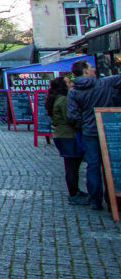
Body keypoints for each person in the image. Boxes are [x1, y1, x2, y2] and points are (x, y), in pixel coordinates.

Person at [66, 59, 121, 212]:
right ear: (85, 71)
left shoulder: (74, 91)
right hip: (110, 128)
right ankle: (115, 198)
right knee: (113, 164)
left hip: (89, 132)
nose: (94, 68)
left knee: (93, 166)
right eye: (91, 67)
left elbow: (72, 115)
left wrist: (83, 125)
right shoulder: (105, 83)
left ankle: (95, 200)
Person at [47, 76, 86, 205]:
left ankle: (75, 191)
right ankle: (74, 194)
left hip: (61, 135)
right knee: (72, 166)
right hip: (67, 136)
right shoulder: (63, 100)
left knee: (71, 166)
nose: (71, 84)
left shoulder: (57, 99)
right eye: (69, 82)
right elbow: (70, 117)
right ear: (63, 86)